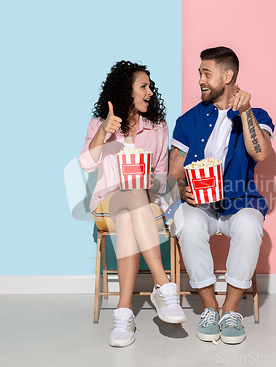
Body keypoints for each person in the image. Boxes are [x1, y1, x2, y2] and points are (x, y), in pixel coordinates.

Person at [169, 47, 274, 344]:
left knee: (251, 225)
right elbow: (174, 172)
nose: (200, 79)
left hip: (240, 202)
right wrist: (181, 188)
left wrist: (245, 112)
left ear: (227, 76)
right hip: (200, 206)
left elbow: (262, 153)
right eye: (199, 73)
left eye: (206, 73)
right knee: (186, 224)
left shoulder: (256, 115)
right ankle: (209, 307)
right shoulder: (188, 120)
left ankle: (230, 310)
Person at [79, 60, 185, 347]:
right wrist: (103, 131)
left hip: (141, 207)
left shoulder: (158, 127)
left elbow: (163, 180)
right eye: (144, 86)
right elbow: (87, 165)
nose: (150, 92)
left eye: (150, 87)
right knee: (131, 198)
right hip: (107, 203)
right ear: (127, 91)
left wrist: (148, 178)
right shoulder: (100, 125)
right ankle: (163, 285)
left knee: (131, 211)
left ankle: (123, 314)